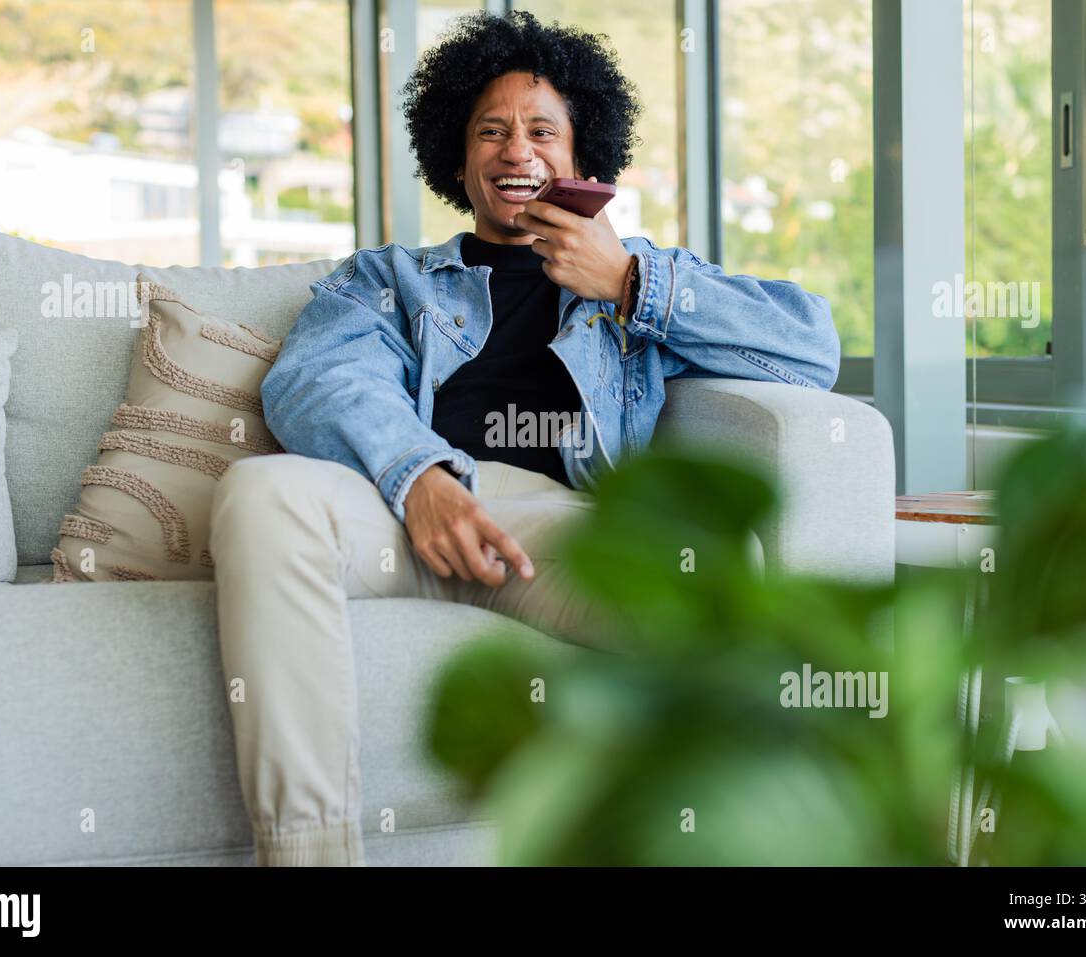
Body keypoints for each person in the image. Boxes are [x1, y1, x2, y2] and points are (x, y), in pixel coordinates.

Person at [209, 10, 840, 866]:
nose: (517, 151)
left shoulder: (637, 274)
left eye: (542, 131)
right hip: (408, 513)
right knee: (260, 490)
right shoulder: (386, 279)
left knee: (716, 578)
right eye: (491, 132)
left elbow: (811, 346)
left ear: (582, 159)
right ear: (459, 159)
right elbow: (316, 381)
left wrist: (626, 282)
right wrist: (420, 476)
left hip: (559, 528)